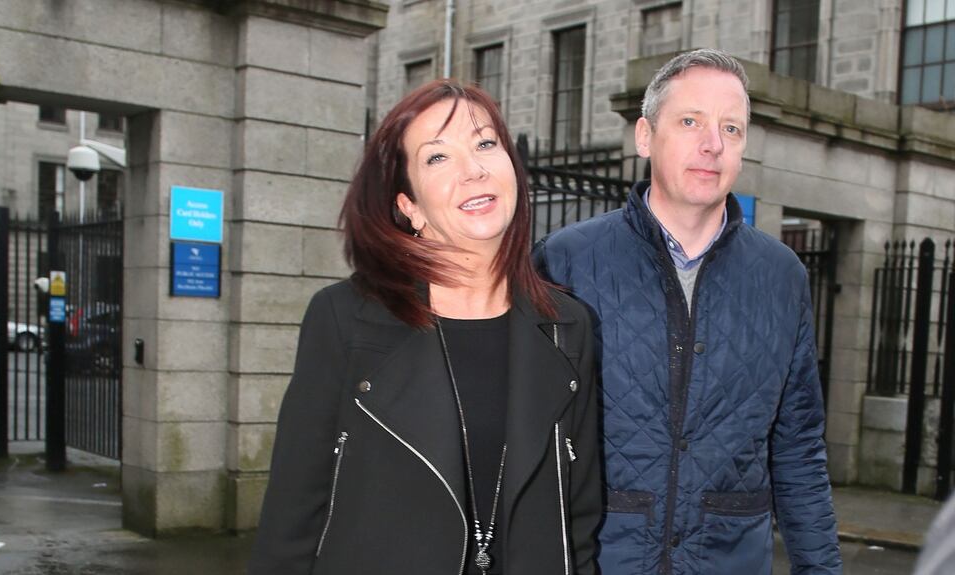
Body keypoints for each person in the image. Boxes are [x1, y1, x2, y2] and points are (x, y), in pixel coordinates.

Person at [248, 80, 601, 575]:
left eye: (485, 144)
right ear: (408, 205)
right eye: (438, 158)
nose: (474, 170)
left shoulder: (568, 326)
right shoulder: (345, 319)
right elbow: (292, 519)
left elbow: (578, 522)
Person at [534, 49, 843, 574]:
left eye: (732, 128)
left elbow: (797, 449)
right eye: (690, 121)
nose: (713, 144)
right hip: (601, 560)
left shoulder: (781, 277)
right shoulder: (566, 260)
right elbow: (528, 433)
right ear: (645, 136)